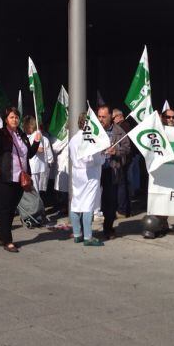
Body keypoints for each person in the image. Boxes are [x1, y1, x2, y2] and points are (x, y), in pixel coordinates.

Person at [0, 106, 40, 253]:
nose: (14, 119)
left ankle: (3, 237)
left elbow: (29, 155)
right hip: (5, 178)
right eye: (11, 117)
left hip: (20, 178)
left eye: (16, 117)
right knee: (5, 209)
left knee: (11, 210)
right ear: (6, 119)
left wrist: (36, 142)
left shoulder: (21, 134)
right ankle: (7, 240)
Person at [68, 112, 105, 246]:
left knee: (76, 202)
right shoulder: (90, 140)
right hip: (90, 173)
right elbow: (96, 160)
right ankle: (88, 236)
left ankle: (77, 234)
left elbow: (72, 156)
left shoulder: (73, 139)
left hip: (77, 172)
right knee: (88, 203)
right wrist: (103, 155)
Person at [97, 105, 129, 240]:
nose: (100, 119)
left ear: (111, 116)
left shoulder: (119, 131)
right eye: (99, 116)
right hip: (94, 170)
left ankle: (108, 228)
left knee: (110, 201)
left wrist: (116, 152)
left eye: (103, 117)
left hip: (111, 170)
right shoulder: (94, 130)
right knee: (90, 199)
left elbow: (127, 149)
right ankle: (82, 229)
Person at [23, 115, 52, 195]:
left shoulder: (35, 135)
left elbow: (40, 149)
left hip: (34, 166)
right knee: (37, 187)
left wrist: (31, 148)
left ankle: (37, 204)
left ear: (30, 126)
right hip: (39, 165)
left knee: (34, 188)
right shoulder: (36, 136)